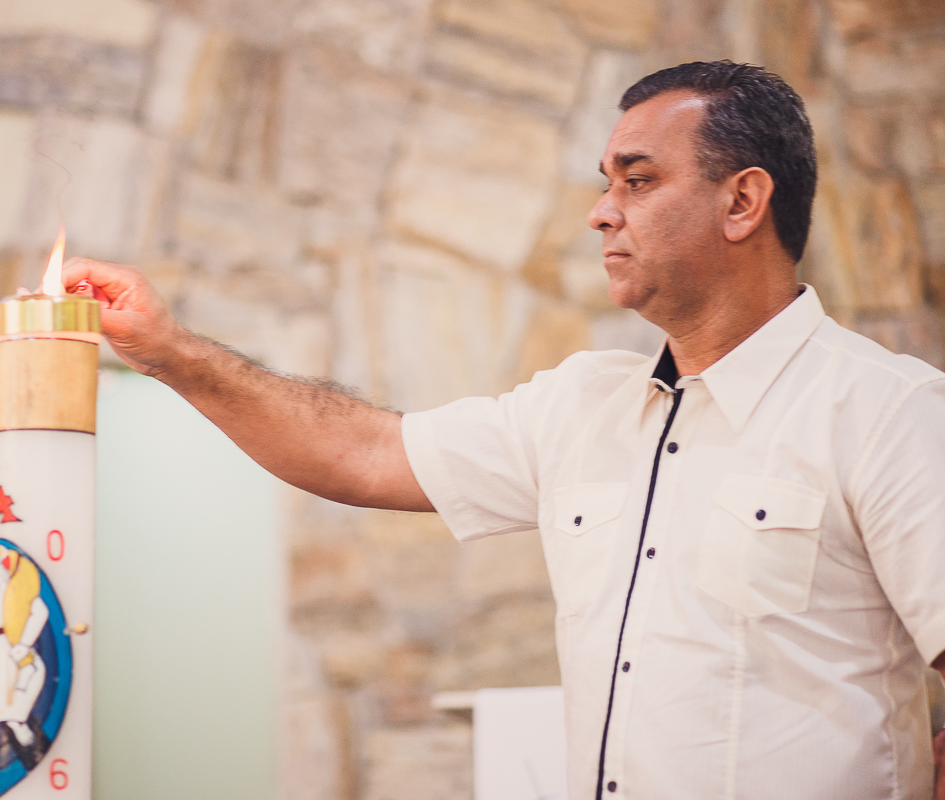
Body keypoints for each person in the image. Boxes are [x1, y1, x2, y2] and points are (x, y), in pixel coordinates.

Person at [63, 61, 945, 800]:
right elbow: (365, 454)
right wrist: (171, 351)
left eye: (637, 181)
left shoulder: (888, 412)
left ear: (743, 201)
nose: (602, 212)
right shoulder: (579, 406)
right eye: (606, 184)